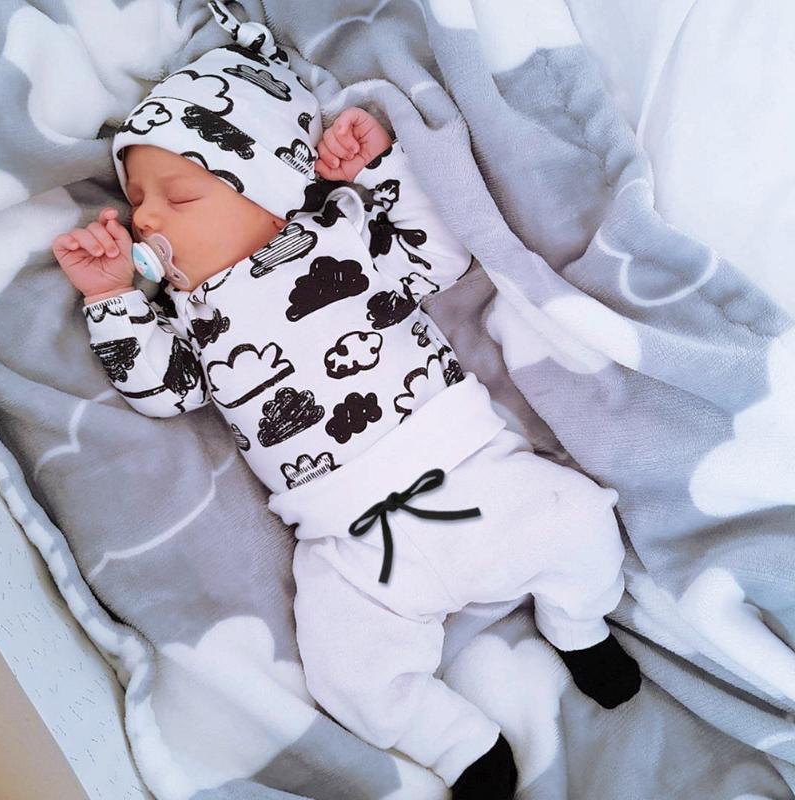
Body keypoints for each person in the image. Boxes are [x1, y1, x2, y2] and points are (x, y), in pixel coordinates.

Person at [52, 2, 641, 797]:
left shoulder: (337, 232)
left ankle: (579, 625)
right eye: (137, 202)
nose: (144, 217)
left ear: (269, 192)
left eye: (177, 198)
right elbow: (163, 393)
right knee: (346, 673)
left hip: (469, 468)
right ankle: (459, 743)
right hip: (347, 541)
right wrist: (112, 298)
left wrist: (377, 169)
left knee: (580, 524)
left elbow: (435, 257)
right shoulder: (187, 314)